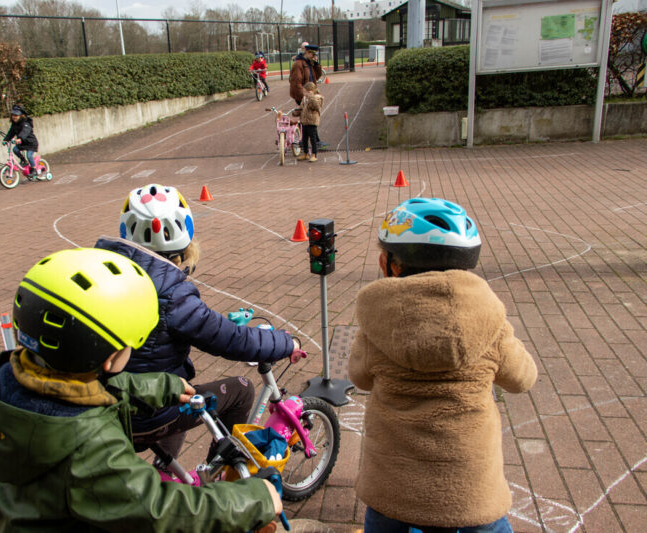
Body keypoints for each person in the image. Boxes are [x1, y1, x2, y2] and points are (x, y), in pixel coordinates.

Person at [0, 247, 283, 532]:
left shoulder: (12, 382)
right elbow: (161, 509)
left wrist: (163, 385)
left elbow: (105, 387)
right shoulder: (88, 446)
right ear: (108, 358)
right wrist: (256, 498)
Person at [348, 198, 538, 533]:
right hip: (470, 492)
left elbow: (359, 377)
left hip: (393, 490)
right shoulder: (490, 321)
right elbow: (523, 378)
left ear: (390, 264)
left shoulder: (376, 322)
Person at [95, 184, 304, 458]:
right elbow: (231, 339)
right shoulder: (172, 292)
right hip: (145, 414)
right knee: (241, 390)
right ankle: (222, 470)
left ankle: (167, 468)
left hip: (104, 403)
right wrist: (285, 342)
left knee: (184, 389)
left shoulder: (102, 269)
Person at [2, 104, 41, 176]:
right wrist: (6, 139)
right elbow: (11, 132)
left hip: (31, 143)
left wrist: (19, 138)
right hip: (22, 143)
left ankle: (34, 169)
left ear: (21, 116)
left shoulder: (26, 123)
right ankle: (23, 160)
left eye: (16, 115)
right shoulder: (14, 124)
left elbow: (25, 132)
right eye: (13, 115)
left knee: (29, 155)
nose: (14, 117)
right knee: (15, 149)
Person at [298, 82, 323, 163]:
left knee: (313, 139)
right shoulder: (304, 98)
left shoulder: (317, 98)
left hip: (312, 121)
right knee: (304, 139)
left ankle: (314, 154)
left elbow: (316, 107)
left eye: (305, 92)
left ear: (310, 91)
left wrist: (311, 97)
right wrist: (297, 112)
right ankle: (305, 153)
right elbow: (301, 107)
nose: (304, 93)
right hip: (305, 121)